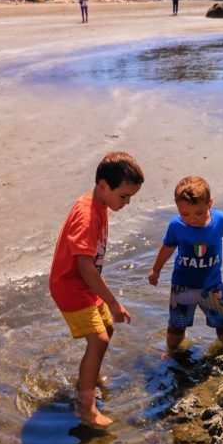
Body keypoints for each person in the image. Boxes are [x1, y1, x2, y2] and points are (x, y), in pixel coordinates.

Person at [50, 152, 145, 426]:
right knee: (99, 340)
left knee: (108, 328)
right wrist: (113, 302)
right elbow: (84, 267)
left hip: (84, 285)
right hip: (71, 286)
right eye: (124, 196)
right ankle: (85, 407)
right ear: (103, 186)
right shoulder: (87, 216)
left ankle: (89, 380)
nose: (126, 203)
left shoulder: (101, 203)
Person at [148, 175, 223, 355]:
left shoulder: (220, 220)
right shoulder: (176, 225)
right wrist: (156, 269)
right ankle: (171, 349)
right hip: (182, 287)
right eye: (185, 214)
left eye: (198, 213)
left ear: (209, 204)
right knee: (176, 327)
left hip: (212, 286)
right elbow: (167, 247)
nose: (192, 219)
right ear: (177, 208)